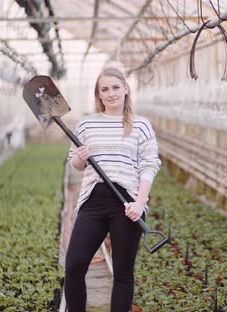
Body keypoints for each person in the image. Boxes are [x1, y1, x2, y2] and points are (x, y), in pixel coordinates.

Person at [65, 66, 161, 312]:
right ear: (98, 95)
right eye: (104, 89)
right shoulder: (87, 124)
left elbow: (149, 166)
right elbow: (75, 165)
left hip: (127, 203)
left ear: (126, 89)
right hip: (92, 203)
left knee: (123, 271)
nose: (111, 93)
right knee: (74, 265)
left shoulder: (141, 125)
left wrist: (140, 204)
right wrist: (80, 156)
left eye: (116, 87)